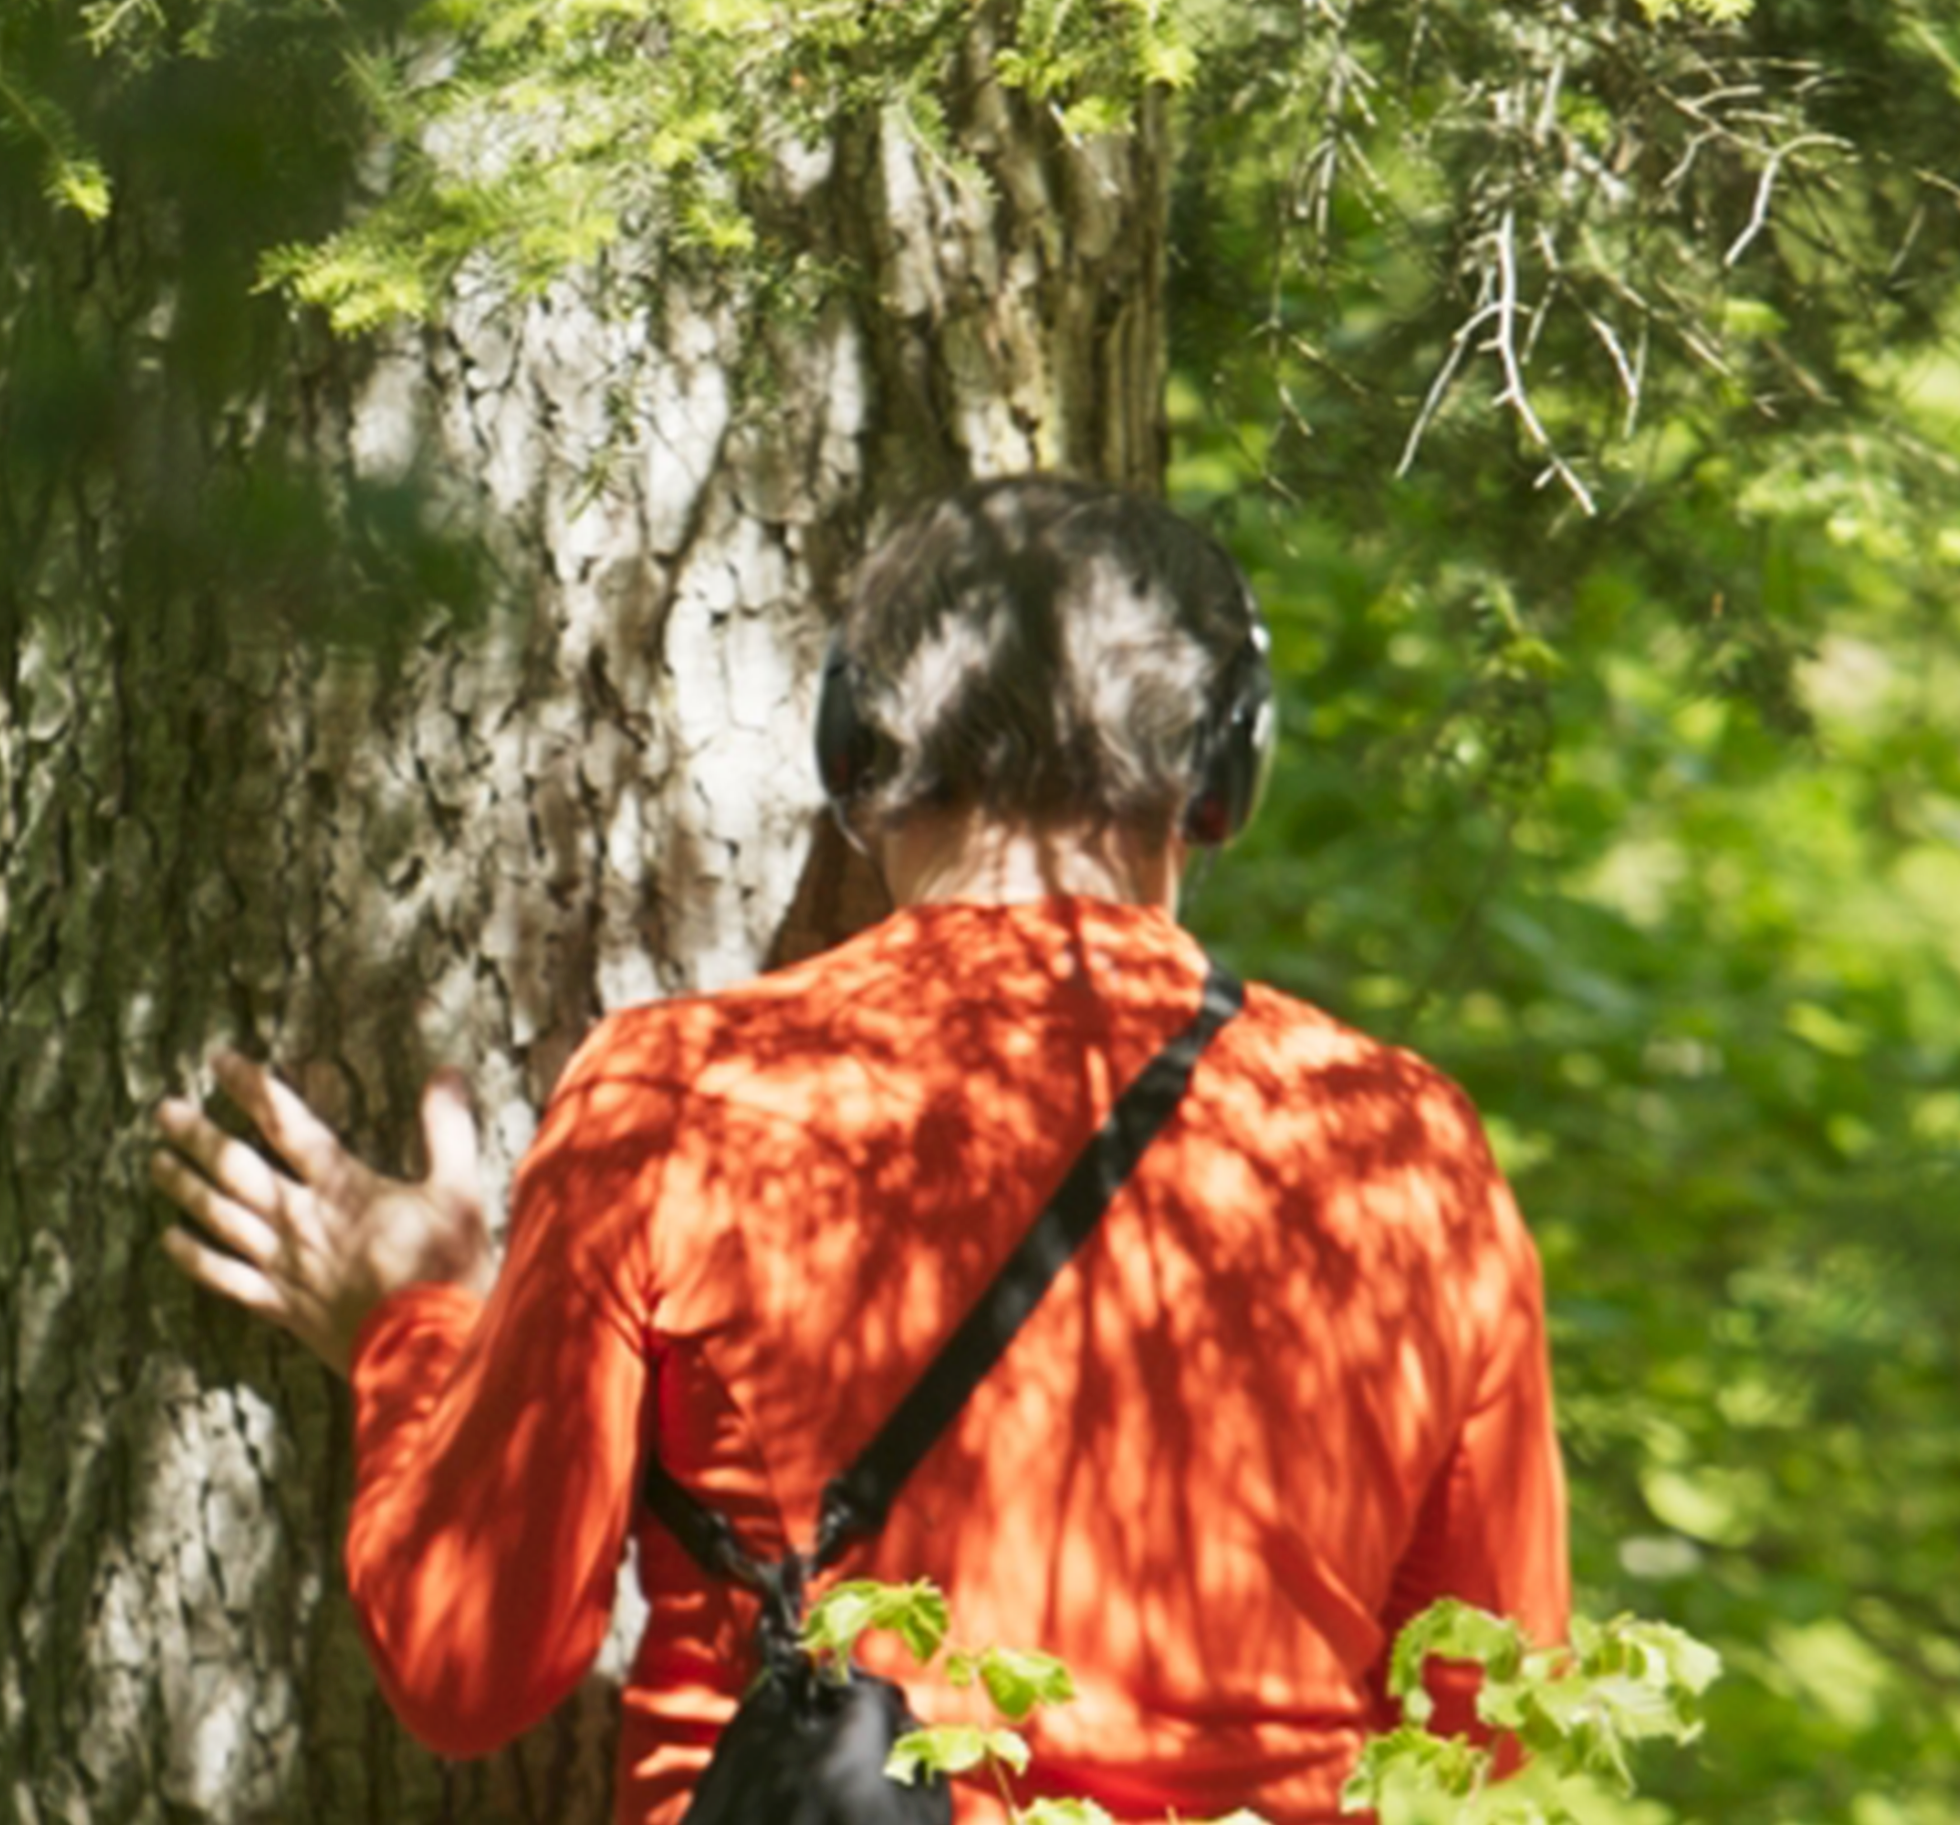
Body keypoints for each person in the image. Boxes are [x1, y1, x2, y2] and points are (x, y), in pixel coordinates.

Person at [151, 477, 1568, 1824]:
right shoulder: (1405, 1147)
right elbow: (1484, 1726)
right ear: (1218, 779)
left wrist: (411, 1329)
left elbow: (468, 1668)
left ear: (859, 755)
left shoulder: (678, 1094)